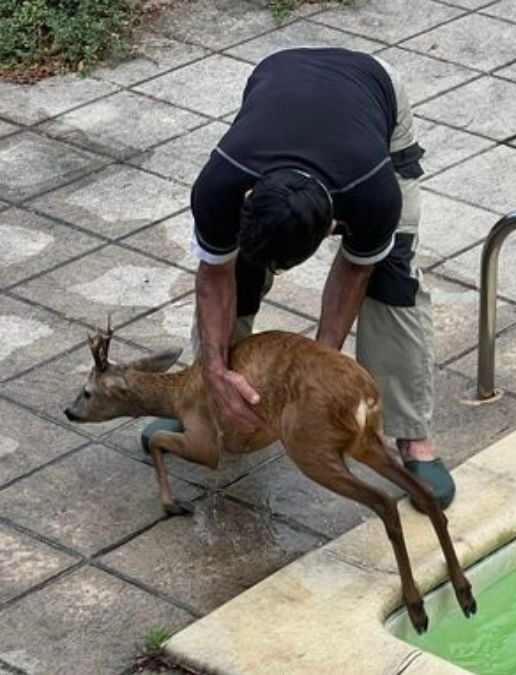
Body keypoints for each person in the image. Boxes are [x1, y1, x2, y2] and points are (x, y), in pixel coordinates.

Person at [141, 47, 454, 509]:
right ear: (248, 200)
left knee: (393, 278)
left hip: (374, 95)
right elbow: (214, 276)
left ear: (333, 227)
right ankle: (204, 408)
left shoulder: (371, 191)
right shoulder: (222, 183)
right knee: (240, 274)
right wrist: (214, 372)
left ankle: (413, 439)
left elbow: (355, 267)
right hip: (279, 77)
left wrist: (316, 377)